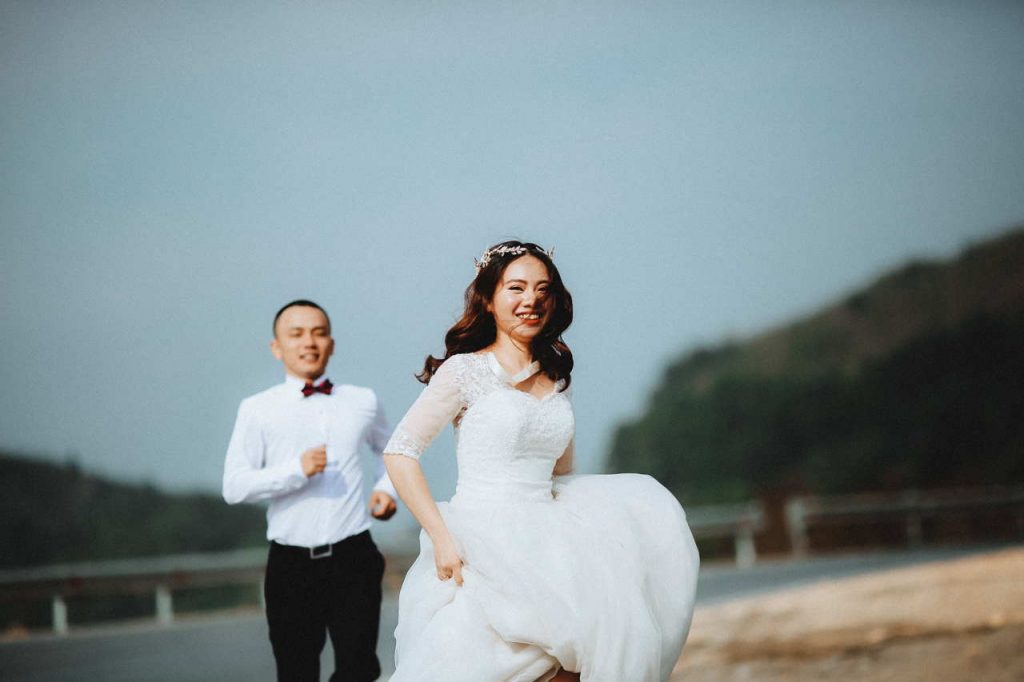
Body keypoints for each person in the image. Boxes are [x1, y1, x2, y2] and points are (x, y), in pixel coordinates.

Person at [382, 242, 700, 682]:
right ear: (489, 300)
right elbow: (400, 452)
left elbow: (561, 471)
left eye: (542, 289)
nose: (530, 300)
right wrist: (440, 536)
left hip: (549, 539)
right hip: (481, 538)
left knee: (577, 660)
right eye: (516, 288)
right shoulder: (463, 371)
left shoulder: (556, 376)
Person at [223, 299, 398, 682]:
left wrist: (387, 491)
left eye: (318, 333)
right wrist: (294, 471)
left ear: (331, 344)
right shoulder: (257, 409)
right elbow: (234, 486)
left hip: (353, 554)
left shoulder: (362, 401)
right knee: (296, 672)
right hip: (291, 564)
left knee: (360, 669)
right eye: (296, 334)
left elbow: (394, 452)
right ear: (276, 346)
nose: (309, 342)